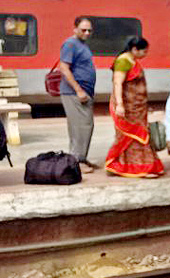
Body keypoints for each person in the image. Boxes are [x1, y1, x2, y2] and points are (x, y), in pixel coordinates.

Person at [105, 37, 163, 179]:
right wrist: (120, 104)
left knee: (138, 135)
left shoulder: (132, 61)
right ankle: (138, 168)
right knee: (132, 136)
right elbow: (117, 83)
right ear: (135, 49)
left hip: (138, 108)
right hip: (127, 107)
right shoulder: (123, 61)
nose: (145, 54)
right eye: (144, 51)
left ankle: (122, 165)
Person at [58, 17, 97, 173]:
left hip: (83, 92)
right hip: (74, 93)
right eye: (83, 30)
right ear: (75, 29)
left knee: (84, 126)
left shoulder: (82, 45)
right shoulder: (70, 44)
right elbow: (64, 68)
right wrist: (78, 90)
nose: (87, 33)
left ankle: (81, 158)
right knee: (80, 126)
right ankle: (75, 161)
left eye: (89, 30)